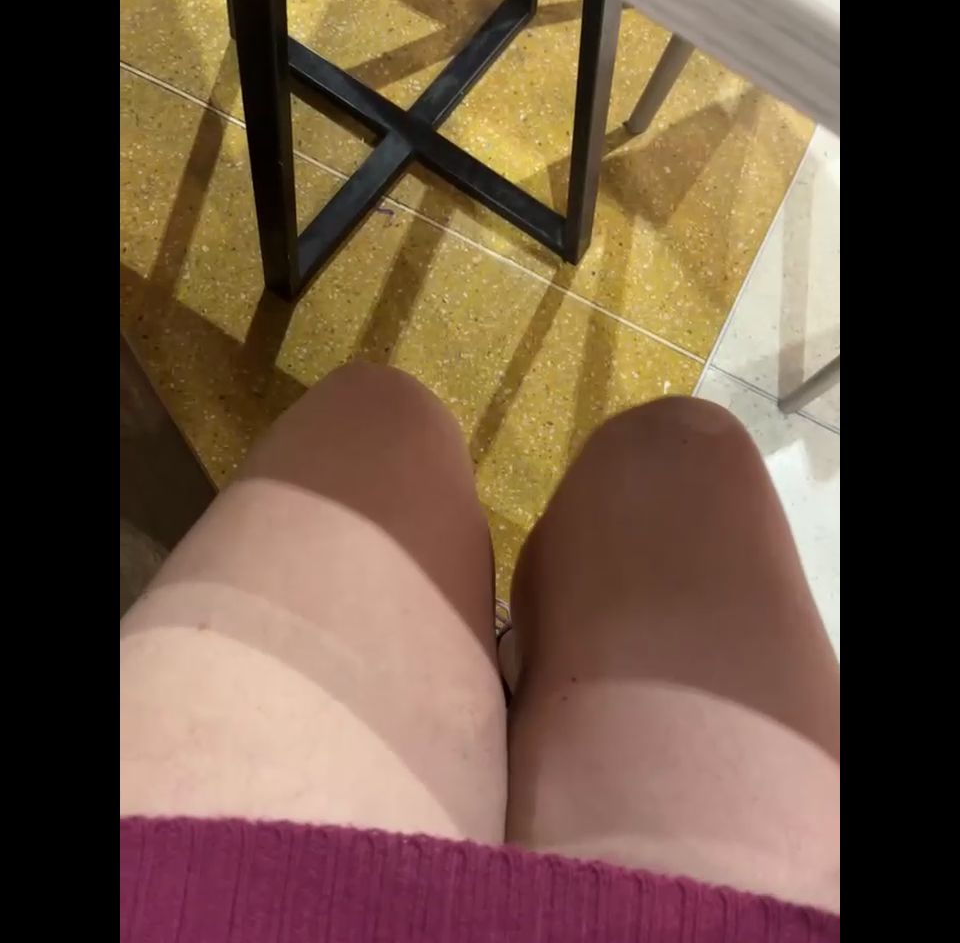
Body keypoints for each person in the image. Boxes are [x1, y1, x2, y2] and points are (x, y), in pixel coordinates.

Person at [120, 362, 840, 942]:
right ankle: (524, 678)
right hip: (764, 917)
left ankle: (514, 682)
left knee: (381, 415)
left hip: (209, 893)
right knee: (684, 448)